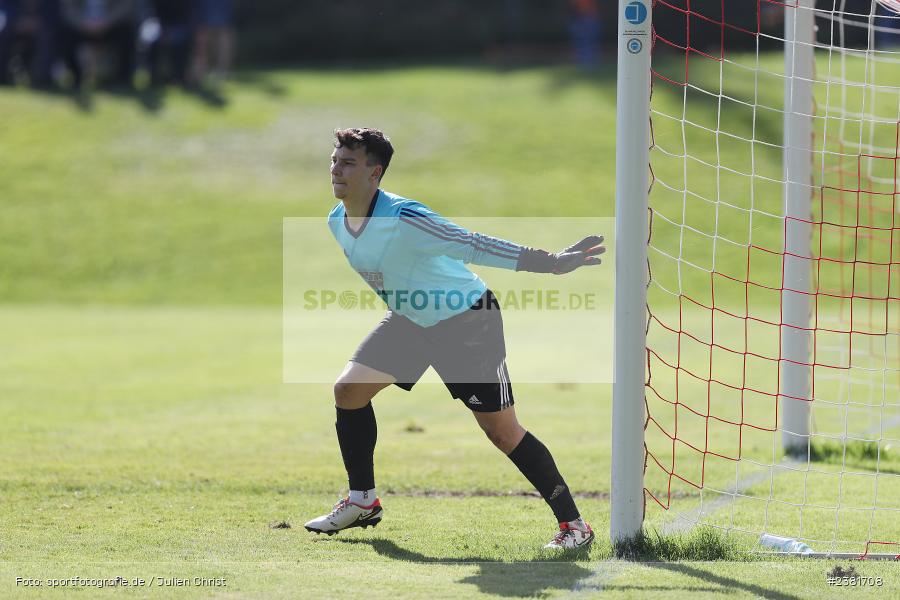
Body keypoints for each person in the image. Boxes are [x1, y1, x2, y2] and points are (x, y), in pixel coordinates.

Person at [303, 128, 605, 551]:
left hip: (467, 323)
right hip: (411, 320)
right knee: (349, 391)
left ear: (376, 173)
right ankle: (362, 502)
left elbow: (473, 244)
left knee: (502, 432)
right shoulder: (337, 222)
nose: (336, 168)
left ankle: (575, 526)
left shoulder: (406, 218)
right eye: (334, 160)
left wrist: (550, 263)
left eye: (348, 162)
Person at [59, 0, 139, 89]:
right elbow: (69, 9)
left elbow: (125, 6)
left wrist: (107, 22)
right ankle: (76, 77)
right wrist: (82, 23)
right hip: (83, 26)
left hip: (110, 25)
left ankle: (123, 78)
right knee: (65, 33)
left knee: (127, 31)